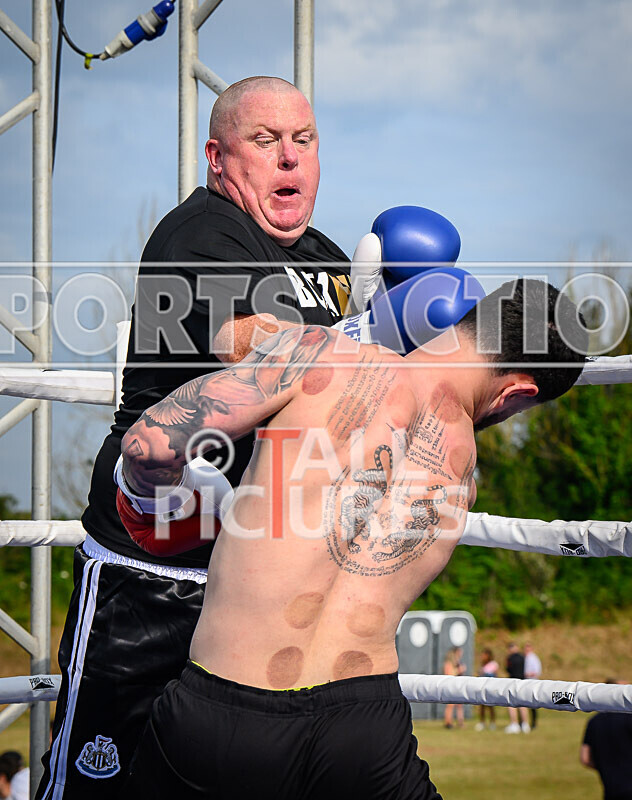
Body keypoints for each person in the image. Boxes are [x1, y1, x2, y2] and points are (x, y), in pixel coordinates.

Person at [117, 279, 587, 798]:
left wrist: (155, 500)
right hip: (366, 730)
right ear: (519, 391)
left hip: (229, 708)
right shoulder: (463, 475)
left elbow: (148, 445)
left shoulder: (323, 354)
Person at [36, 76, 351, 800]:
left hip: (257, 579)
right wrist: (366, 345)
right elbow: (251, 344)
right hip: (153, 572)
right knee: (97, 781)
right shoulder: (202, 232)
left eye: (302, 142)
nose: (289, 160)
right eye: (265, 142)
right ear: (218, 156)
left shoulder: (328, 262)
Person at [581, 681, 632, 800]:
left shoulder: (594, 721)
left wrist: (606, 768)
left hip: (610, 789)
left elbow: (585, 758)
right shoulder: (629, 718)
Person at [504, 641, 530, 733]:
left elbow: (508, 669)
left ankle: (514, 724)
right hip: (522, 682)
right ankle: (525, 724)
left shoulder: (510, 658)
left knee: (511, 704)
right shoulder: (523, 657)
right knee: (523, 704)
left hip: (513, 682)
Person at [475, 648, 499, 731]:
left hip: (491, 688)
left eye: (484, 655)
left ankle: (492, 723)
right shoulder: (483, 665)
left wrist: (485, 674)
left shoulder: (493, 664)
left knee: (491, 707)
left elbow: (494, 675)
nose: (482, 656)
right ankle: (482, 722)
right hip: (483, 688)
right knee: (482, 706)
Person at [443, 647, 466, 729]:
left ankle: (460, 722)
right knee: (450, 705)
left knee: (459, 705)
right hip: (451, 686)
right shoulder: (449, 663)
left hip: (458, 685)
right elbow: (449, 674)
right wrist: (459, 670)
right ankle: (448, 722)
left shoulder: (457, 662)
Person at [523, 641, 542, 729]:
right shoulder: (526, 658)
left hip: (533, 682)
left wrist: (528, 674)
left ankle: (533, 723)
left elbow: (537, 671)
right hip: (527, 682)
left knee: (533, 705)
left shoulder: (533, 658)